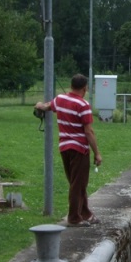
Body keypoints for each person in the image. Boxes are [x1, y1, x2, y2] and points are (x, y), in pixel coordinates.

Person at [35, 74, 103, 227]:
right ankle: (74, 218)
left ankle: (85, 213)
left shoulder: (60, 99)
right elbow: (89, 132)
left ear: (71, 85)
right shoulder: (83, 105)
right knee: (78, 184)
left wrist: (39, 105)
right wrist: (97, 153)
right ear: (85, 88)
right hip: (79, 149)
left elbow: (46, 106)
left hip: (64, 147)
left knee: (77, 183)